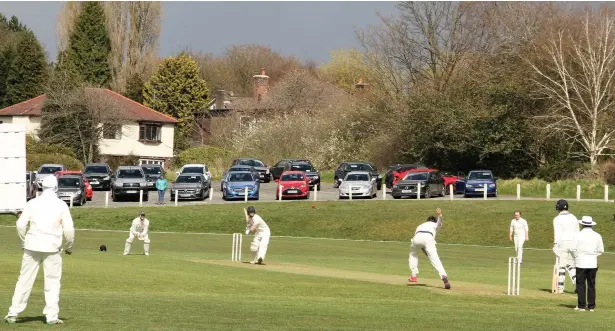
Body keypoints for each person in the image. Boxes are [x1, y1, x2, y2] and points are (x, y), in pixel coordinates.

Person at [4, 176, 75, 325]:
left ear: (42, 187)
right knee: (53, 282)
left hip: (32, 246)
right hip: (52, 247)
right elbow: (68, 229)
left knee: (24, 280)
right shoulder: (61, 205)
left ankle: (13, 313)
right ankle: (51, 316)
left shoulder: (32, 203)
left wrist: (24, 242)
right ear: (56, 187)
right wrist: (69, 246)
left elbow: (20, 225)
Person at [408, 207, 451, 289]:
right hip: (428, 238)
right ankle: (444, 276)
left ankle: (413, 275)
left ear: (427, 220)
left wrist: (426, 252)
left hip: (417, 238)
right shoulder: (434, 224)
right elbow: (439, 223)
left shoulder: (420, 225)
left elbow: (420, 244)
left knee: (413, 254)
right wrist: (440, 215)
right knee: (436, 260)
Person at [571, 216, 604, 311]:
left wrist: (576, 257)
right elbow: (601, 250)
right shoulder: (597, 235)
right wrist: (593, 255)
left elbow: (573, 249)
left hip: (581, 262)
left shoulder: (578, 235)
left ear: (582, 224)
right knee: (591, 284)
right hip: (592, 263)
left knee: (581, 284)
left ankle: (581, 306)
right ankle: (591, 306)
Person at [553, 199, 580, 294]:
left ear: (558, 208)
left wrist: (555, 245)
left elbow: (557, 233)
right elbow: (577, 232)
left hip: (563, 243)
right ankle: (578, 283)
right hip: (574, 243)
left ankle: (560, 287)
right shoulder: (574, 217)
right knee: (571, 265)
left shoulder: (557, 219)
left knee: (562, 265)